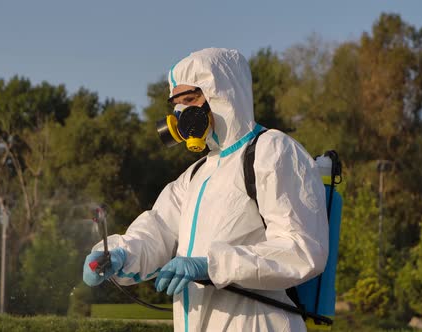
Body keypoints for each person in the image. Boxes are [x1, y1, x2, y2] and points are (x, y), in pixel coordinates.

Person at [83, 48, 329, 332]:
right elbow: (157, 230)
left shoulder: (272, 151)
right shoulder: (196, 175)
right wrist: (118, 255)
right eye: (176, 104)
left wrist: (211, 265)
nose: (181, 113)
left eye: (190, 99)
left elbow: (300, 250)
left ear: (222, 95)